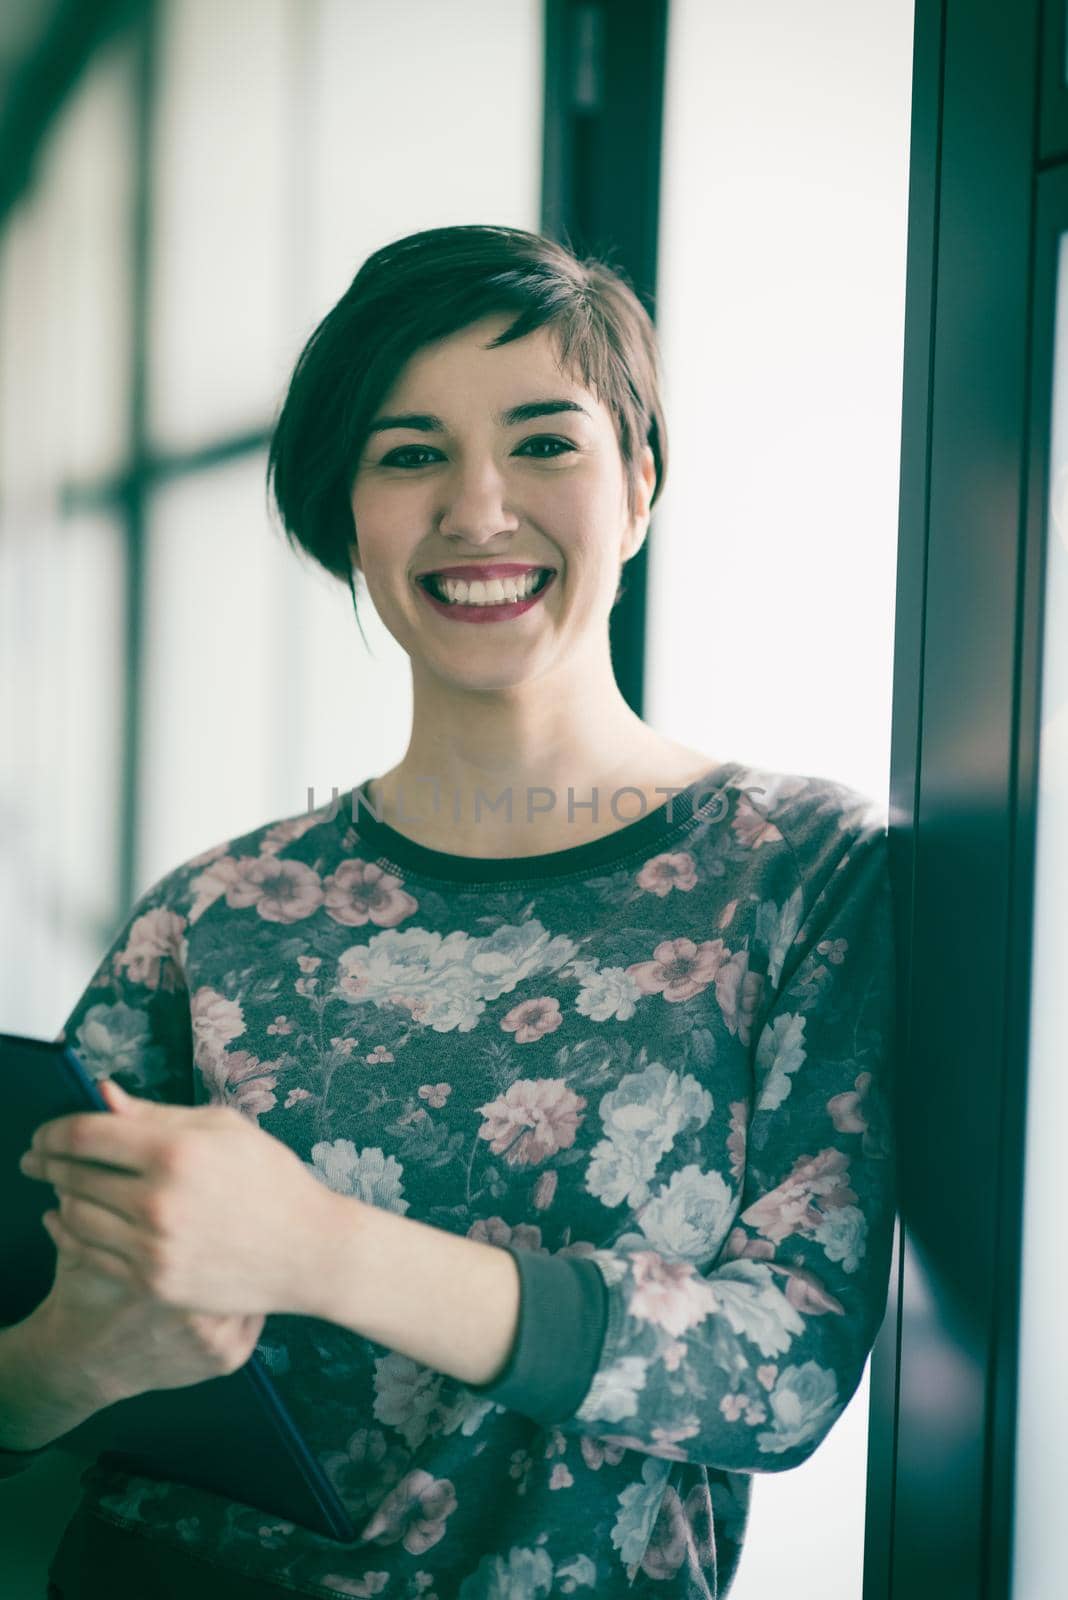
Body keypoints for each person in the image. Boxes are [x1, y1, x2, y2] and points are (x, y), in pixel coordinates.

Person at [0, 223, 898, 1599]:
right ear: (345, 515)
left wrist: (321, 1251)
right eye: (410, 454)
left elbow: (780, 1369)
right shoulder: (219, 909)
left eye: (546, 443)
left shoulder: (801, 869)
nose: (478, 509)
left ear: (638, 484)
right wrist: (73, 1361)